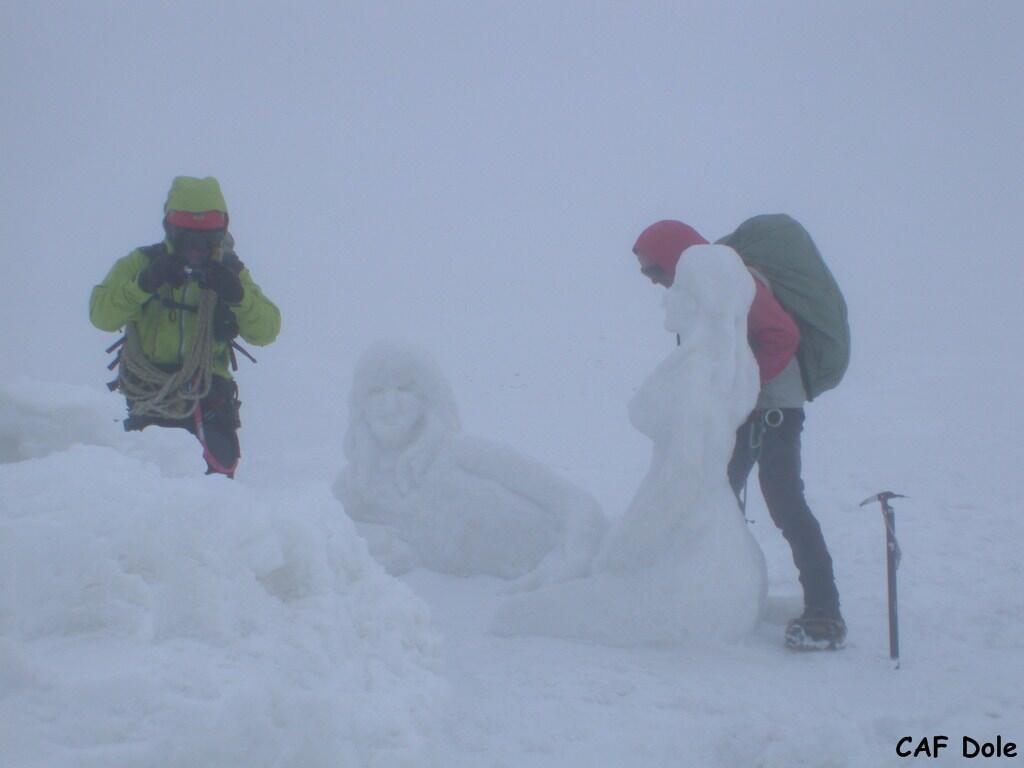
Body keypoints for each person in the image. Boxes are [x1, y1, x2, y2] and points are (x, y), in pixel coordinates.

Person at [630, 219, 846, 650]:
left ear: (674, 256)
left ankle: (825, 613)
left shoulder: (734, 281)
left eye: (654, 269)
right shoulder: (698, 290)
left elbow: (782, 336)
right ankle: (714, 591)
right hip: (745, 407)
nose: (652, 281)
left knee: (785, 504)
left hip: (775, 409)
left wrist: (741, 387)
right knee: (713, 494)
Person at [90, 176, 280, 477]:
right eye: (186, 238)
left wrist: (238, 296)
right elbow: (102, 315)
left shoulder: (230, 273)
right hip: (147, 398)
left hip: (208, 399)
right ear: (170, 230)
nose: (195, 249)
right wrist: (145, 284)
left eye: (206, 239)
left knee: (208, 487)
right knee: (142, 484)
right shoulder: (141, 264)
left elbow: (267, 330)